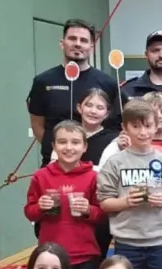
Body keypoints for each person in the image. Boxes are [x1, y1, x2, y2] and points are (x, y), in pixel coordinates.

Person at [96, 99, 162, 269]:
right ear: (125, 128)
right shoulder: (115, 162)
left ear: (156, 126)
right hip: (127, 242)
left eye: (147, 126)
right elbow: (104, 202)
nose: (143, 132)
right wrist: (126, 202)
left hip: (161, 242)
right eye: (136, 126)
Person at [23, 121, 104, 269]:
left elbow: (103, 214)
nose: (69, 147)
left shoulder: (93, 177)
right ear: (53, 146)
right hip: (50, 255)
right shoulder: (41, 176)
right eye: (62, 142)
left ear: (84, 146)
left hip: (84, 254)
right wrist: (40, 207)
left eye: (75, 142)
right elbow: (30, 213)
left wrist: (89, 209)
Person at [26, 19, 118, 163]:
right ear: (62, 43)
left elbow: (116, 125)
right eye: (72, 38)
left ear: (91, 46)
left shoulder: (108, 83)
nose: (78, 44)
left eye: (83, 40)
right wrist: (56, 148)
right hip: (55, 163)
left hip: (95, 164)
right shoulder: (43, 81)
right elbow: (37, 124)